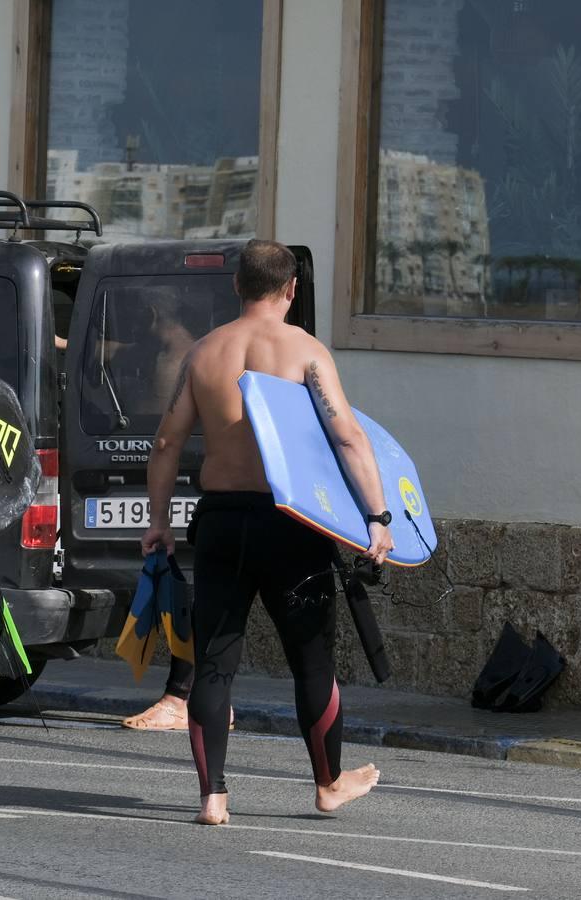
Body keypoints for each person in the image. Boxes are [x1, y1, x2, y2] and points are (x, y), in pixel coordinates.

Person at [139, 239, 393, 826]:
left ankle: (213, 797)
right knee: (311, 662)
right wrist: (378, 518)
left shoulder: (204, 353)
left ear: (236, 286)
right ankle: (328, 784)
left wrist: (158, 522)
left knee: (215, 662)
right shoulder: (305, 351)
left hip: (223, 522)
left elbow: (165, 444)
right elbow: (348, 437)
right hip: (292, 527)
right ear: (292, 289)